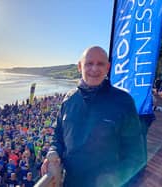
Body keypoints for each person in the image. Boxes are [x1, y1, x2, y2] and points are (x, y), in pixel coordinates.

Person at [41, 46, 147, 187]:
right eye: (89, 63)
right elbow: (58, 134)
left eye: (100, 64)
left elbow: (136, 155)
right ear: (80, 66)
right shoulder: (69, 100)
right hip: (71, 182)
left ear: (108, 67)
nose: (95, 69)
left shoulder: (123, 101)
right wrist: (53, 151)